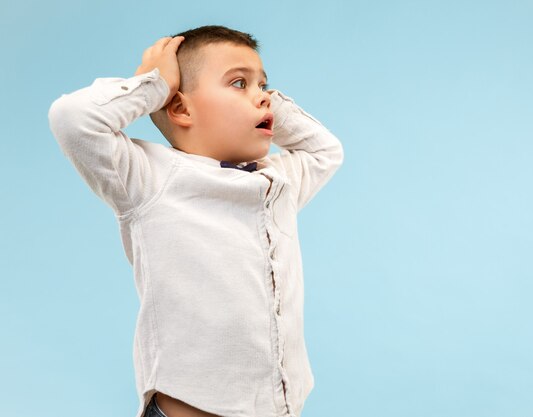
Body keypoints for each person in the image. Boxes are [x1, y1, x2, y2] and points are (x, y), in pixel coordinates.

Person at [48, 25, 343, 417]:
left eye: (265, 85)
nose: (263, 98)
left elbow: (326, 150)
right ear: (181, 108)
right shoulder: (151, 179)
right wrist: (154, 83)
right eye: (239, 83)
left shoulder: (277, 183)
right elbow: (72, 118)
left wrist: (266, 102)